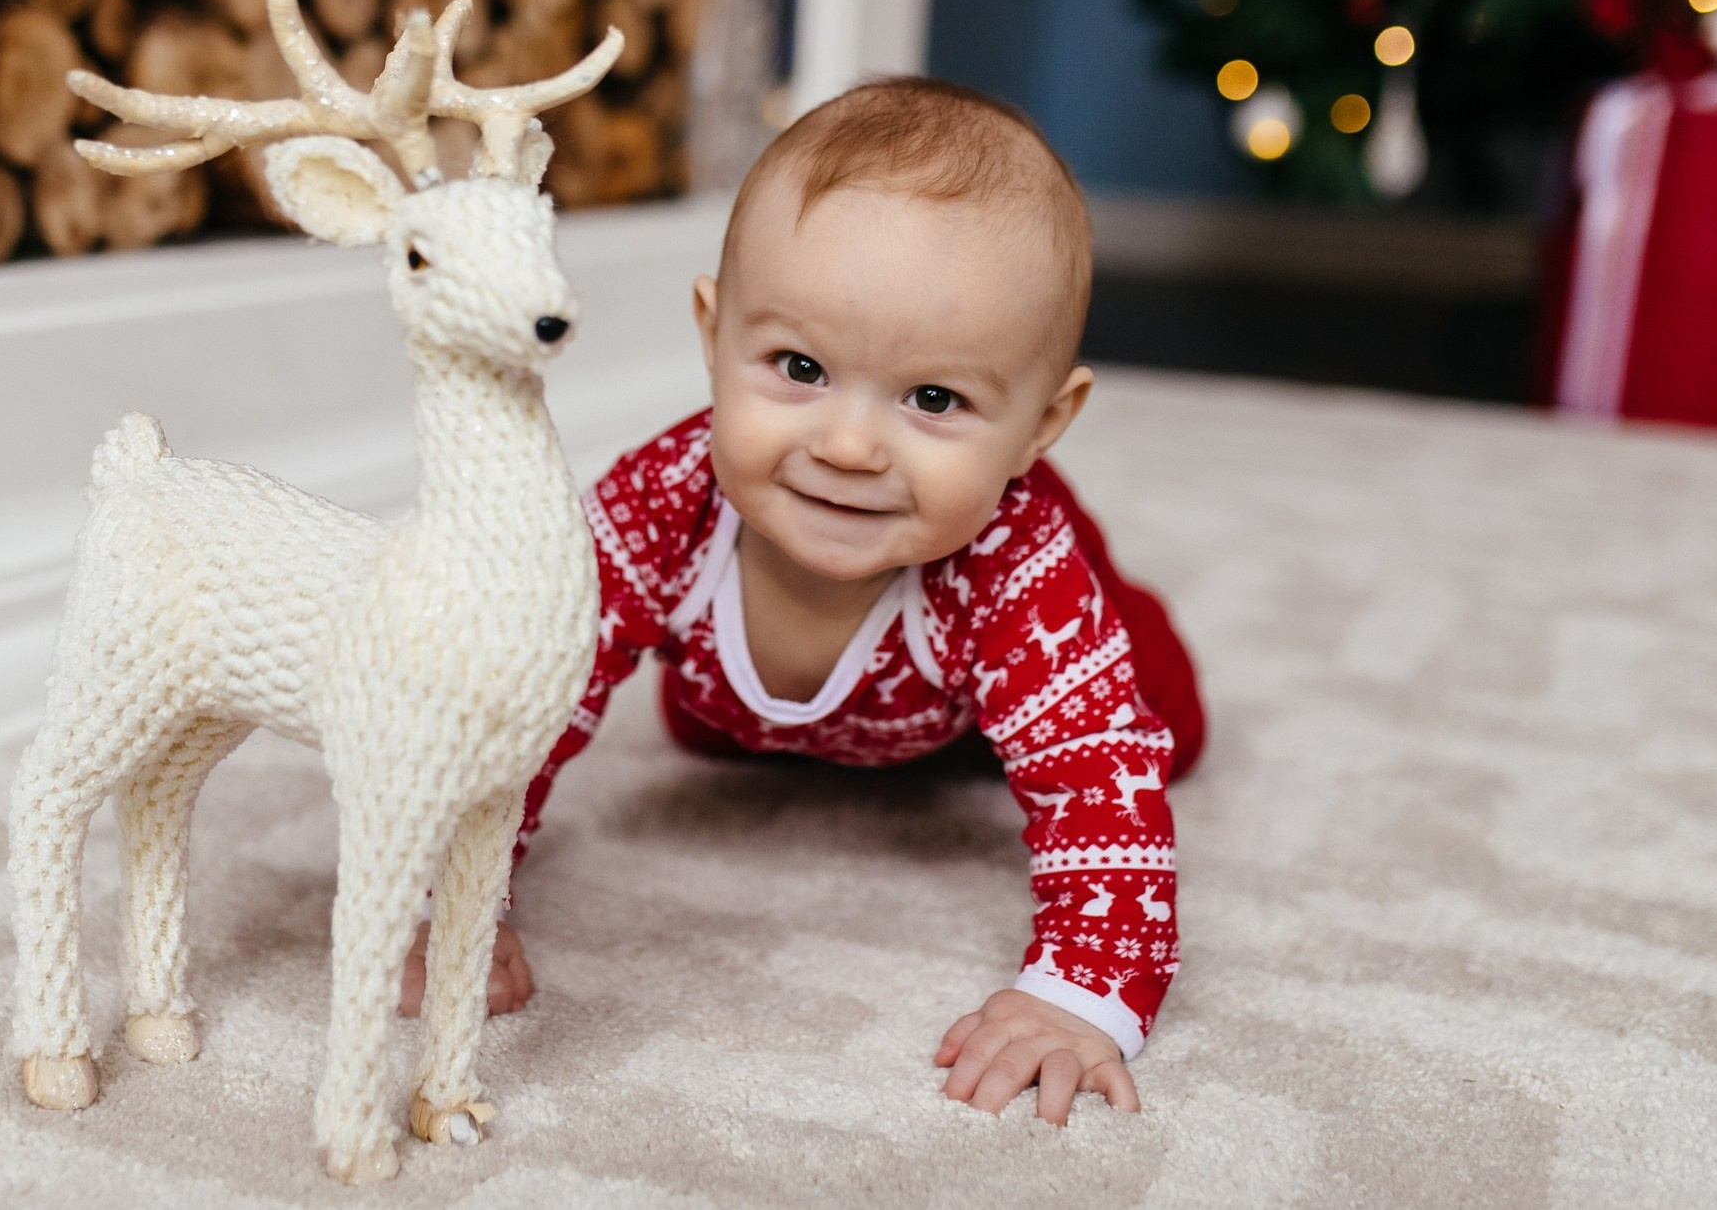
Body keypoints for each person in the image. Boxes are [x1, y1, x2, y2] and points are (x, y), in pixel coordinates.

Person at [399, 78, 1206, 1126]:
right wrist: (449, 901)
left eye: (933, 398)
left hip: (974, 677)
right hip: (790, 699)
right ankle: (795, 702)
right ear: (712, 332)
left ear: (1043, 421)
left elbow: (1103, 791)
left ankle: (1024, 685)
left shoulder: (1015, 564)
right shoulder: (662, 502)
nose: (848, 445)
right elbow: (517, 701)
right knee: (703, 722)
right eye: (800, 366)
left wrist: (1079, 990)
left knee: (1157, 721)